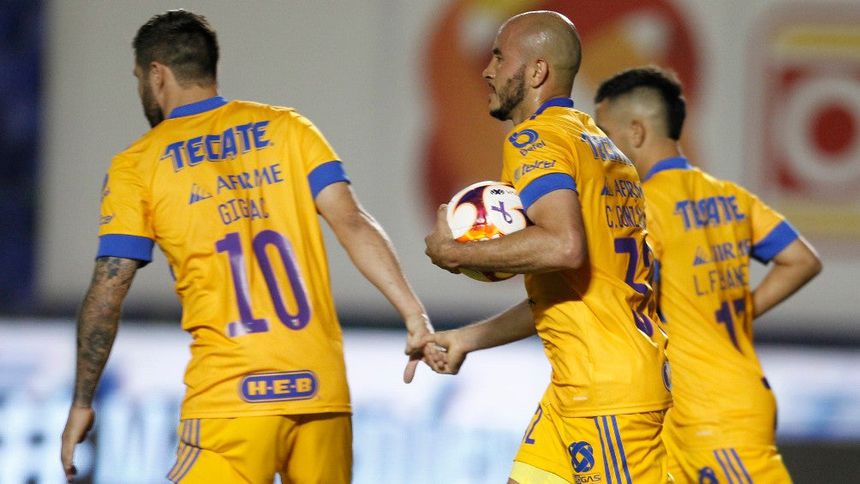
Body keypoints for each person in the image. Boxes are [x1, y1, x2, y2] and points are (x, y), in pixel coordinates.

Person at [59, 9, 435, 484]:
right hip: (320, 392)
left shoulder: (137, 165)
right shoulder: (288, 129)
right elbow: (353, 223)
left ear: (157, 75)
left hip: (231, 399)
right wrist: (414, 316)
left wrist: (82, 401)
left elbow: (108, 291)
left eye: (138, 79)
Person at [424, 11, 673, 484]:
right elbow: (567, 289)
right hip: (579, 388)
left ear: (537, 71)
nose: (487, 70)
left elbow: (562, 247)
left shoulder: (535, 138)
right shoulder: (601, 148)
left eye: (500, 57)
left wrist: (455, 253)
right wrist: (468, 339)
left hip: (605, 397)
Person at [593, 66, 822, 483]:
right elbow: (801, 259)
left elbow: (628, 303)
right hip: (710, 404)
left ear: (637, 132)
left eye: (604, 135)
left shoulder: (644, 208)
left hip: (709, 413)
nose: (600, 150)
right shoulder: (730, 197)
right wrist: (739, 312)